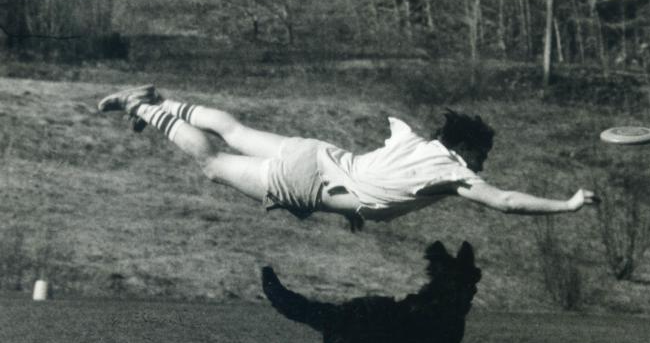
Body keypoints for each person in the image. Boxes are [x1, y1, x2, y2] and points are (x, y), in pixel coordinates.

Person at [98, 85, 597, 230]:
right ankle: (144, 108)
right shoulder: (453, 172)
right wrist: (567, 205)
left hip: (319, 153)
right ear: (469, 152)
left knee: (232, 128)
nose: (482, 166)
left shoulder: (416, 140)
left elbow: (385, 186)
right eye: (481, 156)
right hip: (311, 183)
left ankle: (158, 101)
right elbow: (506, 202)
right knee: (212, 164)